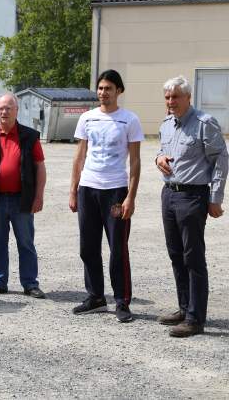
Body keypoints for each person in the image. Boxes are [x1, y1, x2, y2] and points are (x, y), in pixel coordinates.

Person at [155, 75, 228, 337]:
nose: (171, 101)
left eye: (175, 96)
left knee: (193, 257)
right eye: (167, 97)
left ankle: (196, 318)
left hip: (193, 197)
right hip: (170, 194)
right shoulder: (166, 124)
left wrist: (215, 198)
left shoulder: (203, 124)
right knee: (176, 254)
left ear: (188, 97)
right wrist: (159, 158)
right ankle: (184, 308)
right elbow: (161, 151)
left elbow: (221, 159)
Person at [69, 69, 144, 323]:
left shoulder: (129, 120)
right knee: (87, 247)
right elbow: (79, 157)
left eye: (108, 88)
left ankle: (122, 301)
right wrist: (73, 190)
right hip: (88, 189)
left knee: (118, 250)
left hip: (115, 191)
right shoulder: (87, 119)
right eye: (100, 88)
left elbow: (135, 162)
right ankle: (95, 297)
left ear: (118, 91)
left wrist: (130, 197)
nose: (103, 93)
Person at [0, 93, 47, 299]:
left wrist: (39, 196)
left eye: (9, 108)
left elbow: (40, 167)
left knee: (26, 243)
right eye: (1, 108)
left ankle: (30, 284)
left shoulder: (30, 136)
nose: (4, 112)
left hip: (22, 199)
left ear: (17, 110)